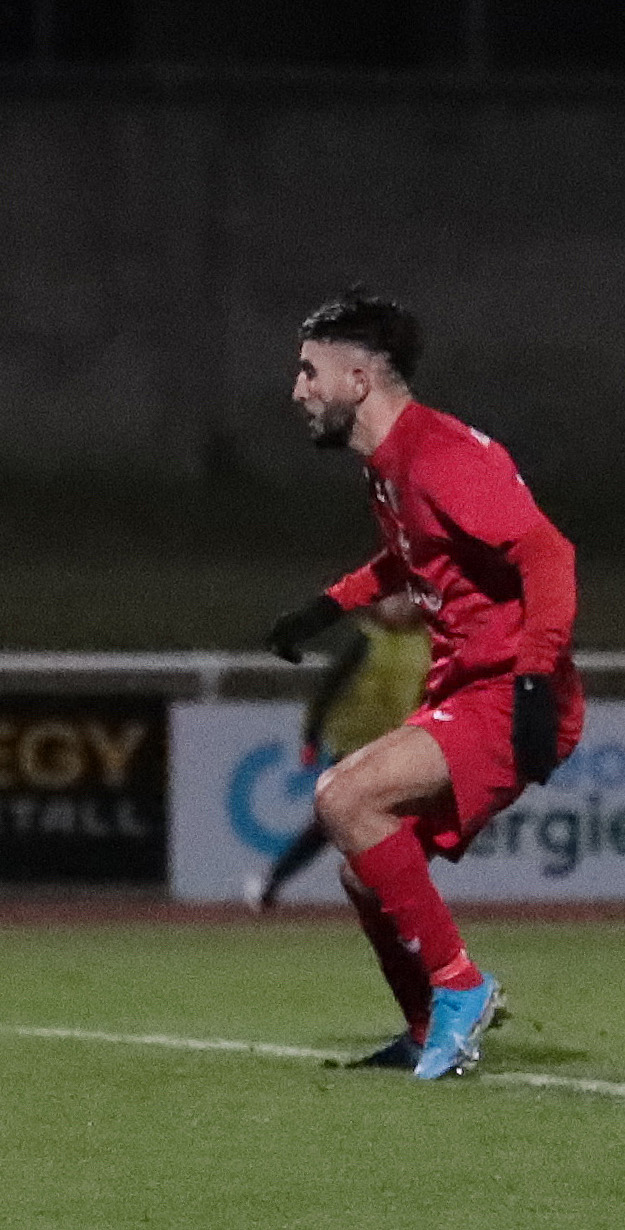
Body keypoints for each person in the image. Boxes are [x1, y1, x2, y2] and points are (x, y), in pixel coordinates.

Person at [267, 291, 582, 1080]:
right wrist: (327, 607)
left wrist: (534, 683)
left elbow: (548, 556)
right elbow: (415, 556)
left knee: (342, 798)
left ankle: (459, 985)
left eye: (309, 372)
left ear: (358, 380)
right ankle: (424, 1027)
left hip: (506, 690)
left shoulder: (439, 455)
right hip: (468, 686)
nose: (297, 390)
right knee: (363, 865)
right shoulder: (390, 464)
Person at [245, 591, 428, 911]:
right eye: (392, 599)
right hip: (352, 747)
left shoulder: (426, 644)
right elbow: (328, 689)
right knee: (334, 824)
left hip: (395, 748)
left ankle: (389, 893)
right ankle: (273, 881)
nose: (399, 606)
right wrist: (311, 739)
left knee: (395, 823)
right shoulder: (367, 639)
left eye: (406, 600)